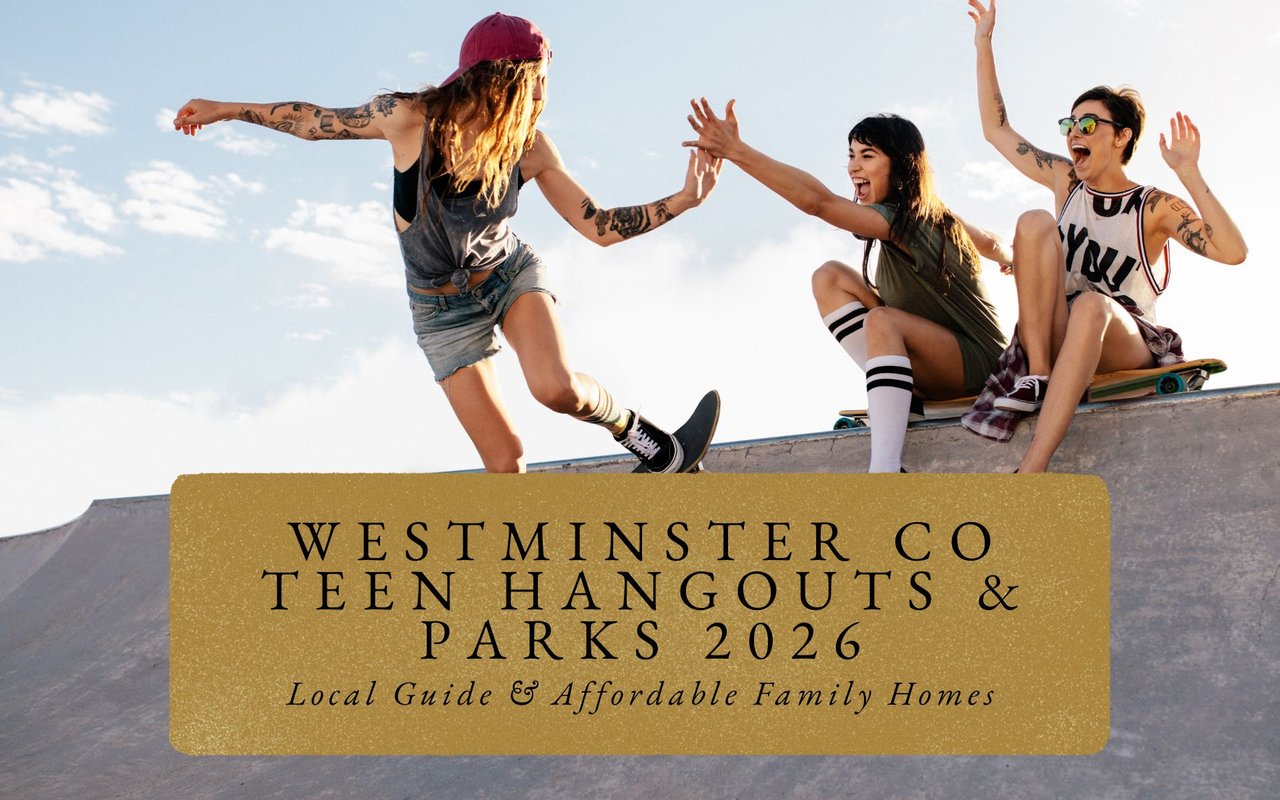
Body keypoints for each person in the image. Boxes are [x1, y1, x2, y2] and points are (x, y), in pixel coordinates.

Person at [173, 13, 721, 473]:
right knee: (506, 461)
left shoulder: (529, 146)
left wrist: (684, 199)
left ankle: (655, 447)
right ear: (507, 79)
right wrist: (225, 108)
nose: (536, 97)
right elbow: (314, 122)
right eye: (532, 83)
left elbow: (598, 226)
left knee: (557, 390)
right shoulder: (408, 117)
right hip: (440, 311)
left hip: (508, 276)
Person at [963, 0, 1247, 472]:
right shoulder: (1066, 181)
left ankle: (1032, 471)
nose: (1075, 132)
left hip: (1122, 339)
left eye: (1088, 125)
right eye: (1070, 125)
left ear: (1121, 137)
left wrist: (1189, 173)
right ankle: (1036, 376)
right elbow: (996, 130)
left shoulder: (1152, 207)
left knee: (1093, 304)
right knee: (1034, 222)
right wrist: (983, 43)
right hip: (1057, 333)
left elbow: (1233, 252)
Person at [685, 100, 1009, 472]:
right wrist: (1010, 258)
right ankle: (903, 394)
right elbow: (991, 241)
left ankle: (886, 470)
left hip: (979, 367)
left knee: (883, 321)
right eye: (851, 155)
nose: (854, 166)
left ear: (901, 165)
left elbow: (818, 203)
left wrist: (737, 151)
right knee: (831, 276)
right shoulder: (935, 215)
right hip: (936, 359)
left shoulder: (912, 220)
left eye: (867, 155)